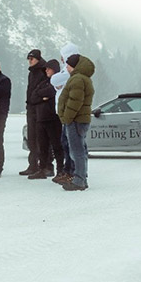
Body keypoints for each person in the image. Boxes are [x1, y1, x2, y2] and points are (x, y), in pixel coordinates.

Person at [57, 53, 95, 191]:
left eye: (68, 64)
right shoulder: (82, 78)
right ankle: (82, 178)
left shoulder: (77, 79)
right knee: (80, 150)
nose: (66, 67)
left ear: (74, 66)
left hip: (75, 120)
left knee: (76, 151)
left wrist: (66, 118)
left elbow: (75, 101)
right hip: (80, 120)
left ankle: (79, 180)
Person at [29, 59, 65, 180]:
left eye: (48, 69)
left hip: (53, 119)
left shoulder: (59, 81)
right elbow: (33, 97)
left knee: (57, 146)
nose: (46, 71)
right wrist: (43, 97)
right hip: (41, 119)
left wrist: (44, 95)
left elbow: (54, 92)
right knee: (42, 147)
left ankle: (60, 170)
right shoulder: (44, 82)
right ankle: (42, 169)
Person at [52, 43, 78, 184]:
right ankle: (67, 171)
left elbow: (54, 80)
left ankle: (73, 173)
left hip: (71, 112)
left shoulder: (71, 71)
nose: (61, 59)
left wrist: (57, 82)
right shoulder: (65, 71)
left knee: (71, 145)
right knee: (65, 143)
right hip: (64, 112)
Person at [20, 49, 48, 175]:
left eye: (32, 59)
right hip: (31, 108)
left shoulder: (43, 70)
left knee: (42, 138)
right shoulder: (31, 72)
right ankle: (33, 165)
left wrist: (35, 99)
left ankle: (45, 165)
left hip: (40, 109)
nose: (29, 61)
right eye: (28, 59)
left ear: (37, 59)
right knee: (31, 138)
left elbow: (42, 89)